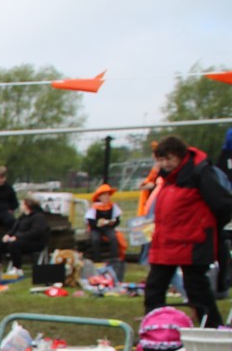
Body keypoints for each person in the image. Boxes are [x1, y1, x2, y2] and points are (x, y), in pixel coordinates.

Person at [142, 135, 232, 328]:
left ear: (180, 155)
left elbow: (223, 204)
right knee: (154, 288)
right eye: (161, 159)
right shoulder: (167, 178)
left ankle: (213, 327)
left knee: (197, 289)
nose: (165, 164)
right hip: (166, 243)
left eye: (169, 159)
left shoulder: (200, 173)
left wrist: (206, 226)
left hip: (192, 244)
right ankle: (154, 328)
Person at [0, 197, 49, 271]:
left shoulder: (39, 217)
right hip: (18, 240)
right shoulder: (22, 217)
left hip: (34, 242)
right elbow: (14, 229)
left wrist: (18, 237)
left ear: (27, 206)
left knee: (14, 245)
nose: (20, 206)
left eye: (22, 204)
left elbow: (36, 232)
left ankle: (17, 268)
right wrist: (8, 235)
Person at [86, 183, 122, 262]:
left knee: (113, 238)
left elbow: (117, 219)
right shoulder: (94, 207)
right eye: (104, 195)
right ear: (99, 197)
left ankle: (114, 259)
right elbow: (90, 221)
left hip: (108, 228)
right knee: (95, 239)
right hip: (96, 228)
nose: (107, 197)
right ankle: (97, 259)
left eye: (108, 194)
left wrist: (112, 223)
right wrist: (98, 223)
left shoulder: (112, 205)